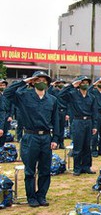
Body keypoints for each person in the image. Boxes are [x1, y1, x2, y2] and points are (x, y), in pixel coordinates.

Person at [4, 71, 61, 207]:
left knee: (45, 169)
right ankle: (31, 197)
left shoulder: (52, 99)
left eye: (44, 80)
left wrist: (55, 138)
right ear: (33, 82)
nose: (41, 82)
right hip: (30, 136)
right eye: (37, 79)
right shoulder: (24, 96)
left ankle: (41, 195)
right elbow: (8, 93)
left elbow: (56, 120)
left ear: (47, 83)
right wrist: (24, 82)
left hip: (46, 137)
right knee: (30, 170)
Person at [60, 76, 98, 176]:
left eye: (86, 82)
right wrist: (72, 85)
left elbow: (94, 112)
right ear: (78, 84)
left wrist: (94, 126)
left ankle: (86, 166)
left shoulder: (92, 97)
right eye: (82, 82)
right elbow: (61, 95)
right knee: (78, 146)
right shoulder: (73, 94)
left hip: (88, 121)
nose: (84, 84)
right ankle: (77, 168)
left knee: (87, 146)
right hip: (78, 121)